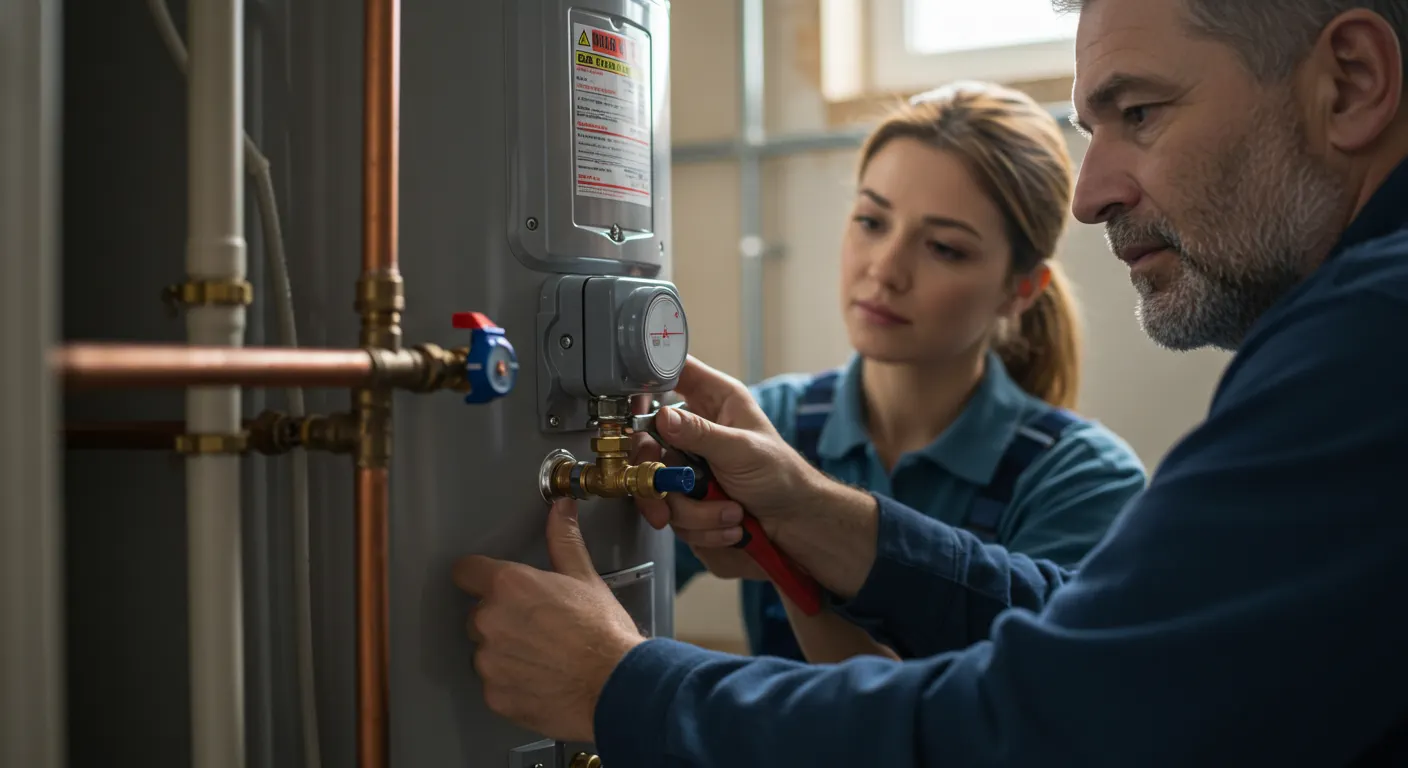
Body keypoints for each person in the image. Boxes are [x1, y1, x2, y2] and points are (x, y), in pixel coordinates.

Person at [452, 0, 1408, 765]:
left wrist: (627, 688)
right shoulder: (785, 426)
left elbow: (1046, 719)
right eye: (871, 221)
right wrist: (819, 518)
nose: (1092, 192)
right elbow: (1103, 638)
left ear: (1352, 81)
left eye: (1142, 113)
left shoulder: (1368, 341)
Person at [672, 81, 1146, 663]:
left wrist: (787, 545)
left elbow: (1000, 719)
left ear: (1020, 290)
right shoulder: (767, 423)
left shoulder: (1084, 482)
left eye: (944, 247)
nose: (886, 270)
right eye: (872, 221)